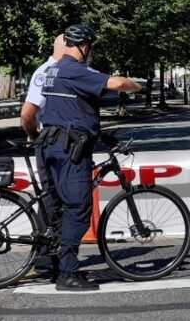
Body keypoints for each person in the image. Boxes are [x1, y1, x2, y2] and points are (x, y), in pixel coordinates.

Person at [37, 24, 142, 291]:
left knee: (58, 207)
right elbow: (117, 83)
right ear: (84, 47)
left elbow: (73, 107)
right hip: (69, 151)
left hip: (50, 144)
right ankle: (68, 274)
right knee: (78, 208)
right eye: (90, 48)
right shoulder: (75, 70)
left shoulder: (52, 70)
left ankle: (53, 263)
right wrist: (137, 86)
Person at [20, 34, 66, 278]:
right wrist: (33, 134)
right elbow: (28, 113)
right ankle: (43, 258)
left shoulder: (60, 70)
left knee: (56, 197)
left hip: (57, 139)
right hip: (48, 140)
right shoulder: (47, 72)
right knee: (50, 197)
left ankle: (50, 255)